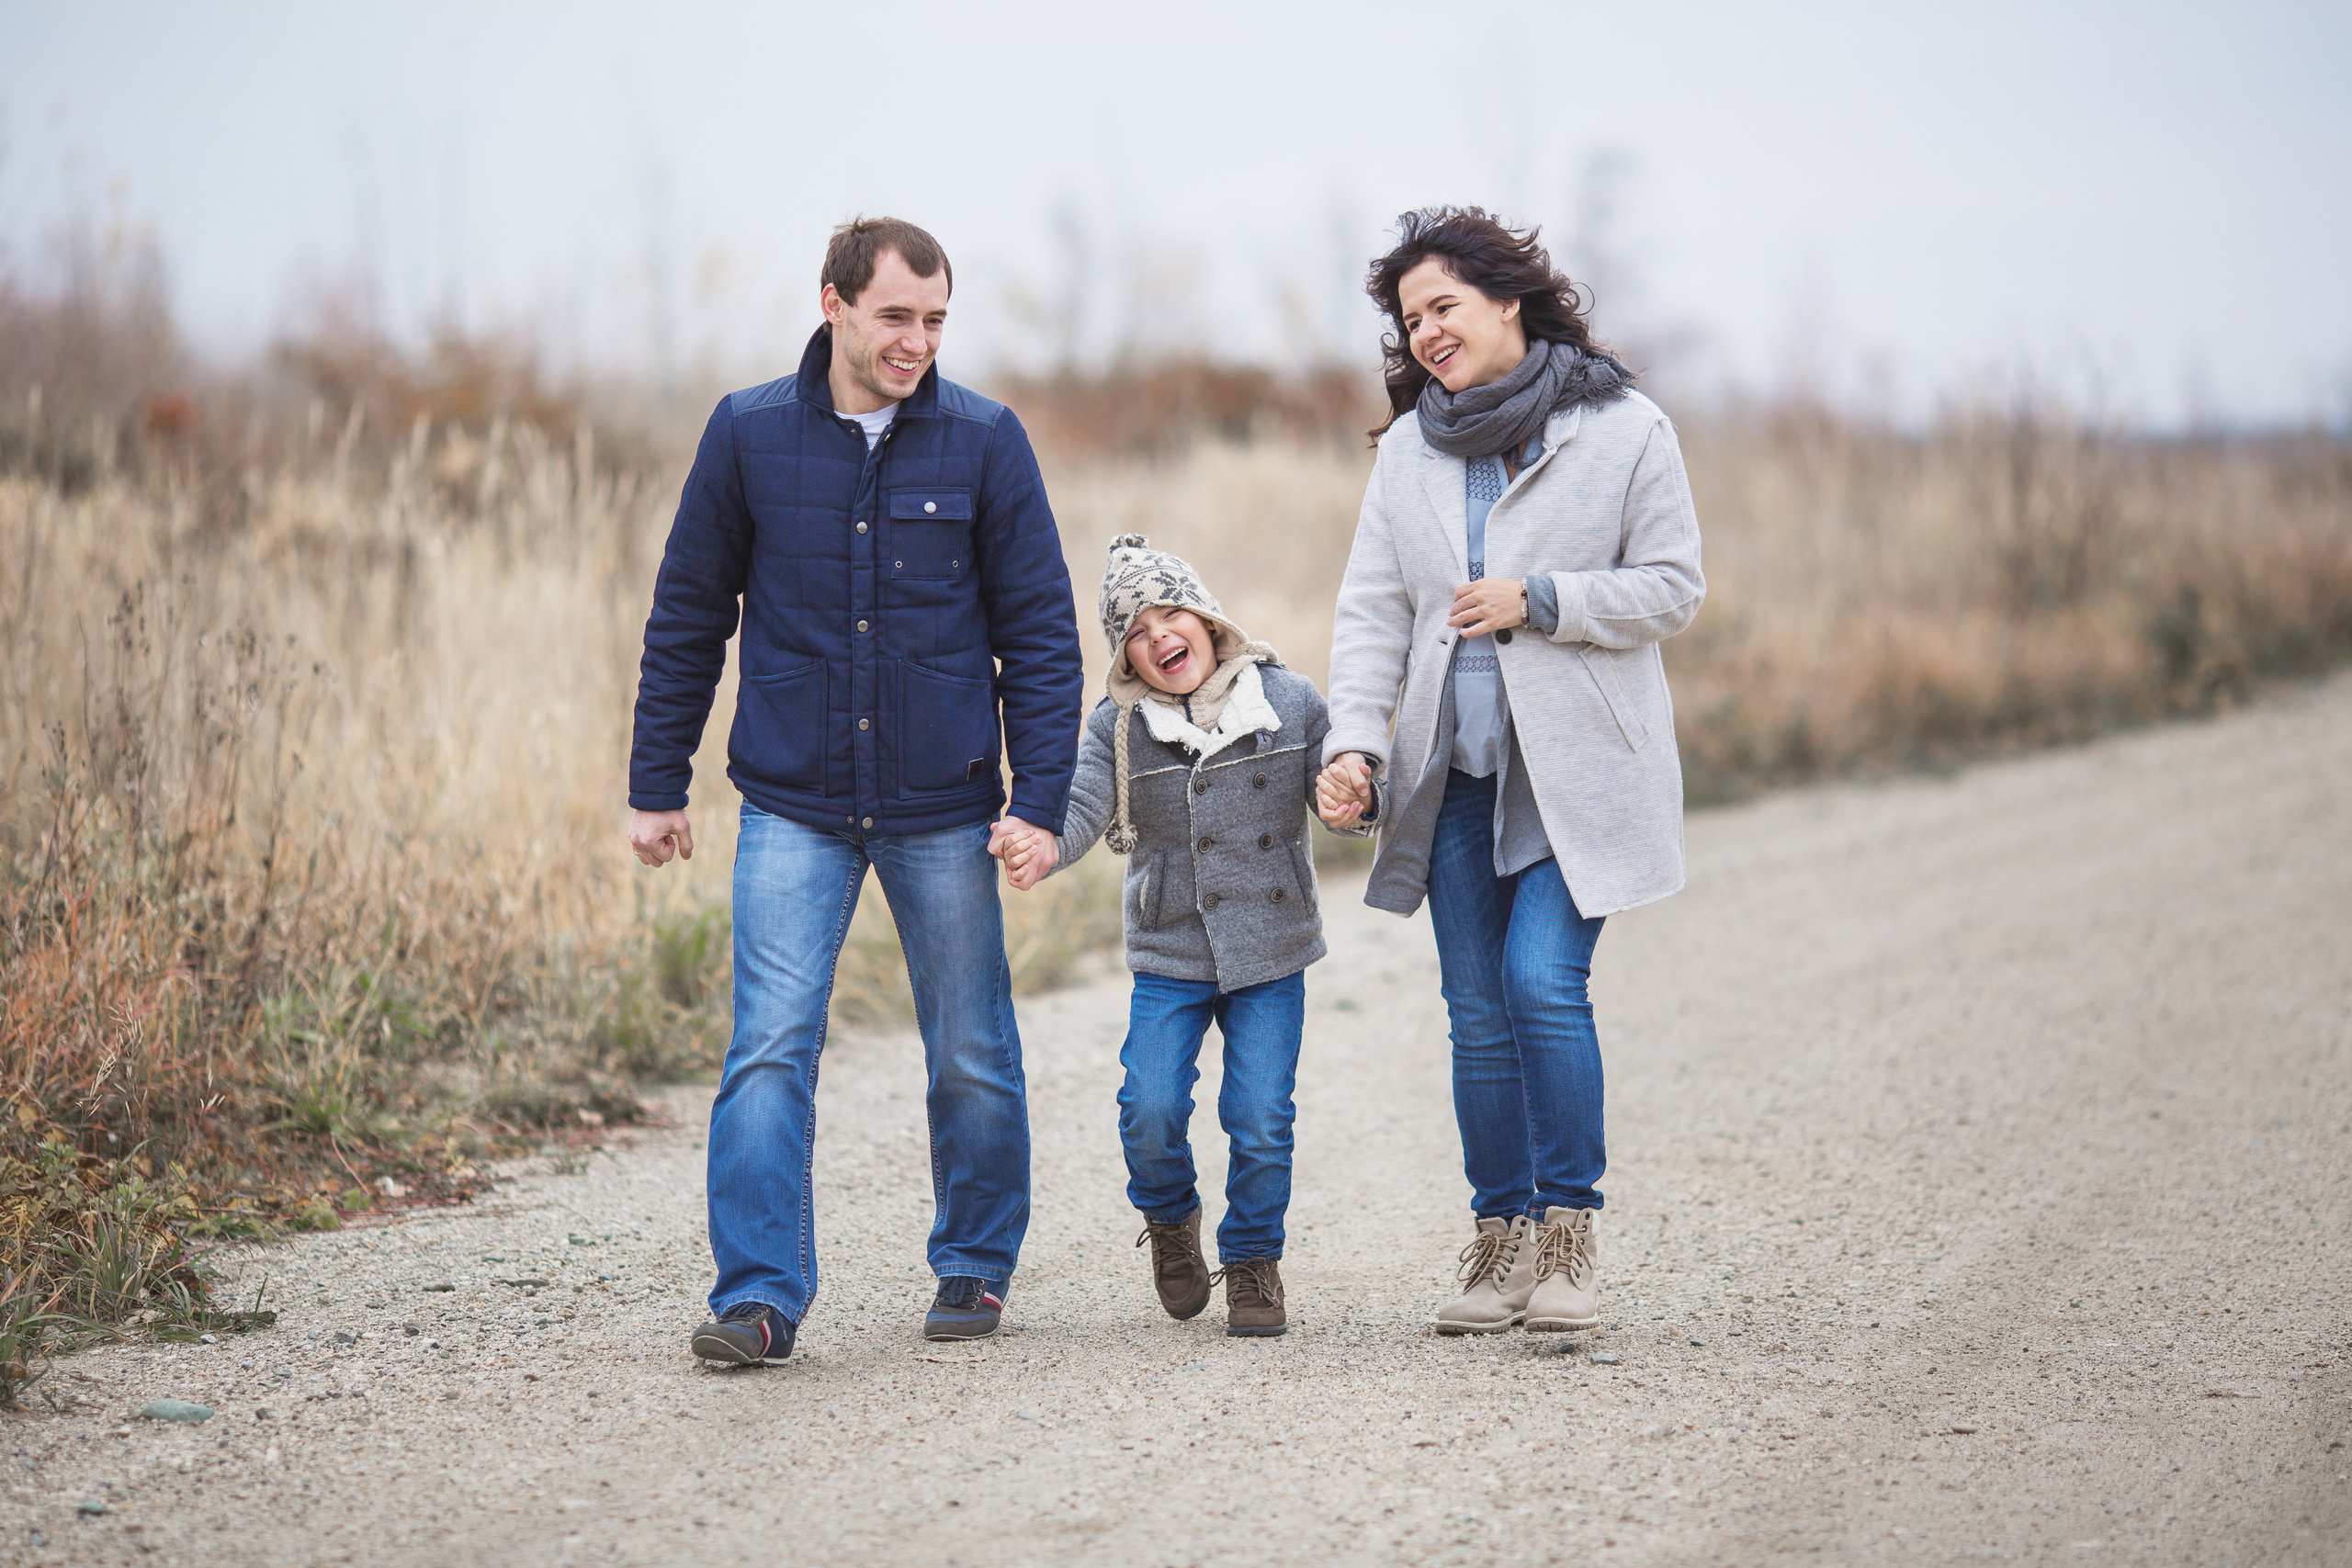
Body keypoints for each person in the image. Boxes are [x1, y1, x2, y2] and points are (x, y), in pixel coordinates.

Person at [628, 216, 1083, 1362]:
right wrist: (657, 782)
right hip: (792, 798)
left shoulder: (985, 441)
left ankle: (974, 1268)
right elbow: (689, 614)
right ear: (831, 303)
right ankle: (759, 1297)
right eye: (895, 317)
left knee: (970, 1045)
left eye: (934, 321)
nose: (916, 342)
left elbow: (1039, 635)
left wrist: (1039, 802)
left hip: (944, 802)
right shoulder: (746, 435)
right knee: (770, 1047)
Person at [1315, 207, 1704, 1337]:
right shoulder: (1405, 454)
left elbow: (1674, 586)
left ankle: (1568, 1234)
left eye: (1443, 307)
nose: (1426, 332)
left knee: (1542, 985)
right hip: (1456, 773)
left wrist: (1544, 602)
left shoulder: (1626, 430)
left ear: (1508, 301)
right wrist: (1356, 742)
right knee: (1475, 1014)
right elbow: (1372, 613)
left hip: (1578, 779)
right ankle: (1500, 1241)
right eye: (1409, 320)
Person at [993, 536, 1368, 1337]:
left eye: (1170, 613)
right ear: (1125, 655)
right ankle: (1170, 1220)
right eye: (1134, 628)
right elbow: (1084, 806)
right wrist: (1044, 843)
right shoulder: (1119, 727)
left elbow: (1341, 789)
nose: (1158, 634)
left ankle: (1255, 1258)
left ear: (1205, 618)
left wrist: (1351, 798)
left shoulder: (1287, 700)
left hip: (1272, 945)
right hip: (1172, 946)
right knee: (1149, 1105)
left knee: (1261, 1114)